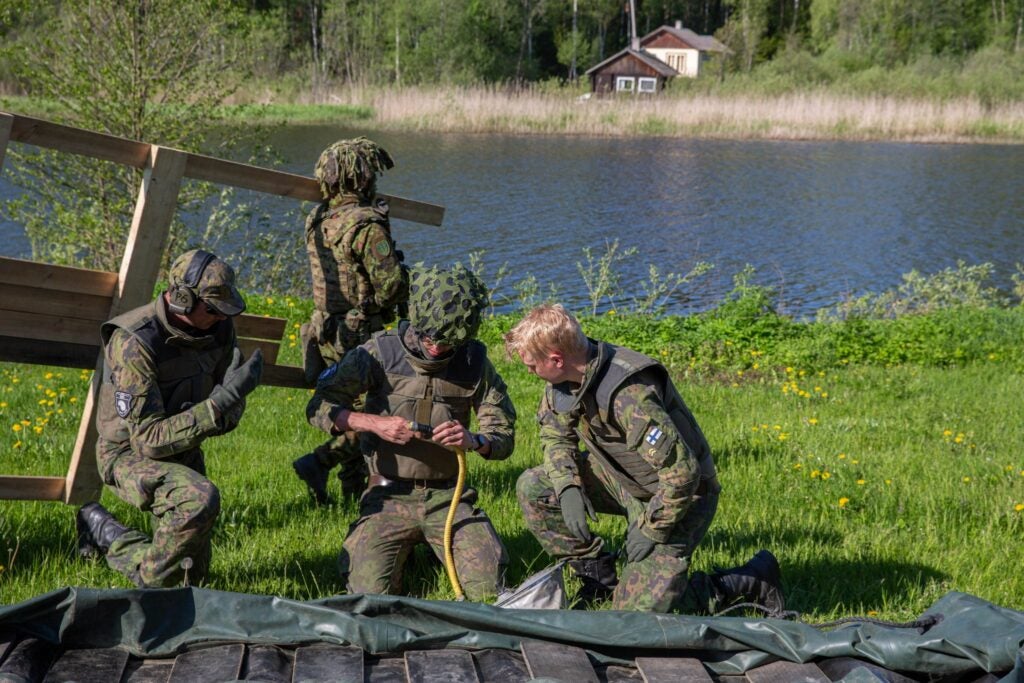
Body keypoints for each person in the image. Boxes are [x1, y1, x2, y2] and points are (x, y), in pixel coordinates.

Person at [504, 304, 783, 614]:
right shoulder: (564, 380)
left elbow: (683, 473)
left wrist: (651, 526)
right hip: (621, 476)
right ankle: (598, 578)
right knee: (535, 487)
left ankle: (742, 583)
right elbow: (556, 434)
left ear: (556, 359)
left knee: (632, 619)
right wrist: (568, 487)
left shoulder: (628, 394)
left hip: (679, 498)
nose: (529, 372)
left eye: (531, 366)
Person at [306, 265, 514, 600]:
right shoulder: (379, 353)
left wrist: (475, 440)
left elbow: (502, 431)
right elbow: (319, 406)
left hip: (449, 497)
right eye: (431, 338)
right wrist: (374, 423)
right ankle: (407, 555)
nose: (436, 349)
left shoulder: (473, 363)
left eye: (448, 343)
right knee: (370, 597)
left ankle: (433, 549)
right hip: (388, 495)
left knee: (489, 590)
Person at [75, 249, 263, 588]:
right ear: (180, 298)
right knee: (198, 501)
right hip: (126, 454)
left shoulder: (218, 329)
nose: (221, 317)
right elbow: (147, 440)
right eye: (212, 309)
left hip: (184, 449)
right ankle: (152, 590)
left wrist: (228, 406)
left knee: (192, 577)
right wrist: (218, 407)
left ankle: (105, 532)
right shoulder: (135, 341)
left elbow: (226, 406)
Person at [293, 137, 410, 505]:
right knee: (376, 413)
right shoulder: (365, 225)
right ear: (362, 178)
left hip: (325, 329)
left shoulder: (318, 218)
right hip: (360, 335)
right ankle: (319, 462)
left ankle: (353, 495)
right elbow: (390, 287)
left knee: (349, 410)